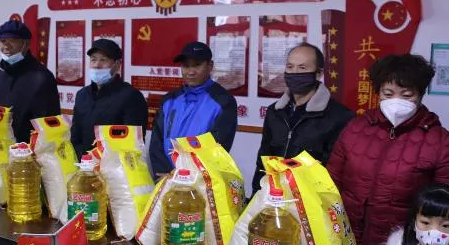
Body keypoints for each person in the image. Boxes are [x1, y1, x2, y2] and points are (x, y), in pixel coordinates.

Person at [327, 53, 449, 245]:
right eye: (388, 93)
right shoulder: (354, 130)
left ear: (420, 94)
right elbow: (330, 184)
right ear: (378, 93)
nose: (396, 101)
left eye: (407, 94)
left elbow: (448, 210)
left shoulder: (443, 143)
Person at [252, 43, 353, 192]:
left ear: (318, 73)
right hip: (272, 196)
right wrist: (256, 194)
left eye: (302, 68)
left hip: (311, 199)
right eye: (290, 67)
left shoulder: (339, 117)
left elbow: (337, 172)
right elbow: (263, 159)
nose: (294, 73)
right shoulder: (275, 111)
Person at [149, 41, 237, 177]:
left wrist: (188, 176)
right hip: (166, 178)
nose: (190, 72)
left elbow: (218, 147)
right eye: (186, 66)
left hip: (201, 180)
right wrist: (165, 174)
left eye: (197, 65)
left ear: (210, 66)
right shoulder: (169, 100)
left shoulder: (223, 101)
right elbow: (157, 142)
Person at [70, 39, 148, 156]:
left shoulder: (131, 96)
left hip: (114, 165)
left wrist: (103, 162)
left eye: (103, 60)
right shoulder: (82, 95)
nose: (97, 65)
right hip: (84, 164)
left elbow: (133, 144)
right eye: (93, 60)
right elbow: (75, 136)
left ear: (117, 65)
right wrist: (85, 160)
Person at [0, 18, 60, 143]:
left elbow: (49, 127)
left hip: (27, 151)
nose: (6, 46)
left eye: (13, 40)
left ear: (26, 44)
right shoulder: (0, 75)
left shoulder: (42, 77)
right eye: (3, 40)